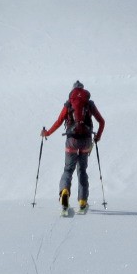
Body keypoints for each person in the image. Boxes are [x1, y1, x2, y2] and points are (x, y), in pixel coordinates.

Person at [41, 80, 105, 212]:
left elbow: (59, 122)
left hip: (72, 141)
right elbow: (102, 122)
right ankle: (82, 200)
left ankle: (64, 191)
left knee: (68, 170)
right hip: (86, 140)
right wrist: (97, 137)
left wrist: (47, 132)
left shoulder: (69, 104)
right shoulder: (89, 103)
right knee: (82, 170)